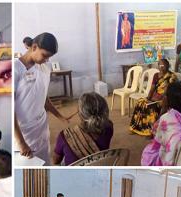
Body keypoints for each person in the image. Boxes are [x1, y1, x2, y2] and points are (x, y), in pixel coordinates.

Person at [15, 32, 73, 164]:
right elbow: (11, 112)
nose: (46, 60)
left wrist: (60, 116)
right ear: (34, 47)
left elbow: (43, 98)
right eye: (45, 55)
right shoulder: (15, 70)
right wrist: (21, 142)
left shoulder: (44, 68)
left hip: (41, 128)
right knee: (29, 169)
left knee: (44, 163)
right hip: (24, 133)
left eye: (49, 57)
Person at [53, 92, 113, 165]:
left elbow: (55, 161)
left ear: (80, 114)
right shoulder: (109, 128)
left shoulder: (65, 136)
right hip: (98, 168)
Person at [129, 59, 177, 136]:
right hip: (154, 97)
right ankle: (135, 127)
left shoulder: (172, 76)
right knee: (140, 103)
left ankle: (150, 131)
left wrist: (157, 99)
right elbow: (152, 88)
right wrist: (148, 98)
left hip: (164, 99)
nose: (161, 67)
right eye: (160, 65)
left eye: (163, 65)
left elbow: (168, 92)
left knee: (152, 107)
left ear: (168, 66)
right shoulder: (156, 75)